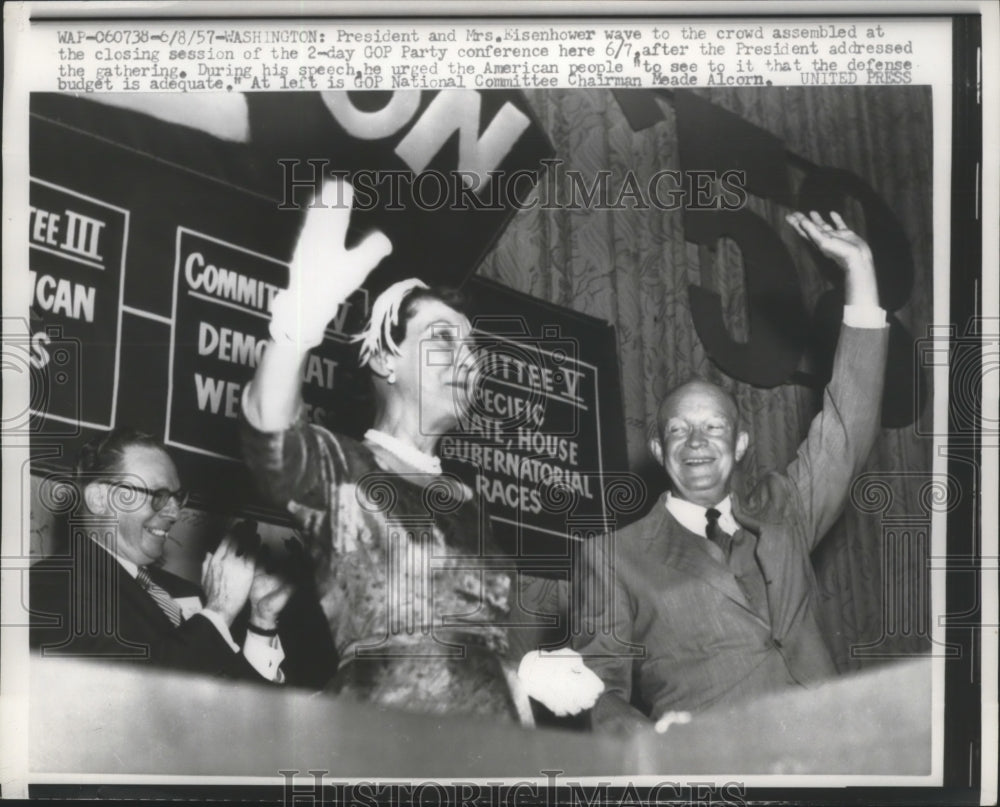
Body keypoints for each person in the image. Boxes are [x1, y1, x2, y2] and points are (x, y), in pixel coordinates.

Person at [241, 179, 603, 722]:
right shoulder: (345, 470)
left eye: (472, 346)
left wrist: (521, 679)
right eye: (442, 339)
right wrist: (296, 325)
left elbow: (473, 639)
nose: (469, 360)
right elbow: (271, 434)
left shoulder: (464, 496)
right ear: (386, 360)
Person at [573, 210, 889, 733]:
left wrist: (860, 272)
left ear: (740, 443)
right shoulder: (613, 556)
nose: (697, 442)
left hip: (834, 750)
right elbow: (596, 690)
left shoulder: (785, 509)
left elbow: (847, 425)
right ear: (657, 447)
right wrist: (654, 745)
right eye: (679, 430)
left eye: (714, 428)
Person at [30, 428, 294, 682]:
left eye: (177, 497)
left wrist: (261, 621)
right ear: (100, 498)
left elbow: (241, 709)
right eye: (158, 495)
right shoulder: (47, 588)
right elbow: (124, 702)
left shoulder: (183, 591)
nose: (174, 513)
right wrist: (219, 612)